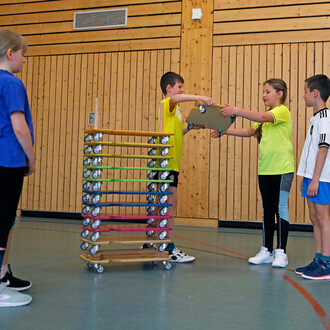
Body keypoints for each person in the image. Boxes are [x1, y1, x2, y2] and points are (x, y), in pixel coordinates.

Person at [211, 79, 294, 268]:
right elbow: (250, 130)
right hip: (265, 168)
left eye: (268, 91)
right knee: (267, 209)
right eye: (263, 92)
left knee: (280, 208)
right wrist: (225, 132)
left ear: (280, 93)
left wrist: (237, 111)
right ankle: (266, 250)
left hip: (282, 169)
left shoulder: (281, 111)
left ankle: (281, 252)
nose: (264, 95)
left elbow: (263, 118)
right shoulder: (266, 118)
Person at [157, 71, 214, 262]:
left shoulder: (175, 112)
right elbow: (176, 98)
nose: (182, 90)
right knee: (170, 204)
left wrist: (190, 127)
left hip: (171, 162)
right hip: (167, 161)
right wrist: (201, 98)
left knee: (164, 204)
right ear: (169, 88)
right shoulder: (168, 104)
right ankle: (169, 247)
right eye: (180, 86)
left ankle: (156, 241)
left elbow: (176, 131)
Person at [0, 29, 36, 307]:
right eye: (22, 53)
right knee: (2, 223)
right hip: (9, 160)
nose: (24, 59)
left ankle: (2, 275)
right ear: (10, 53)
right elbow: (19, 126)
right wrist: (31, 158)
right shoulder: (12, 84)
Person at [295, 74, 330, 280]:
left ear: (315, 93)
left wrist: (315, 179)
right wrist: (306, 176)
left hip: (322, 178)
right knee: (313, 218)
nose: (303, 95)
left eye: (305, 91)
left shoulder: (326, 118)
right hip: (311, 176)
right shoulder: (315, 117)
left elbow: (323, 149)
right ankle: (318, 259)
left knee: (323, 219)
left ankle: (326, 263)